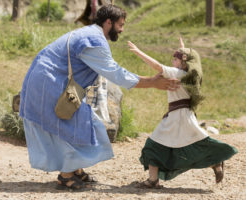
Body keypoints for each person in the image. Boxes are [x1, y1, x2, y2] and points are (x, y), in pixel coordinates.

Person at [19, 5, 179, 190]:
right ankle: (66, 176)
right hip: (49, 83)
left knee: (84, 123)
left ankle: (75, 169)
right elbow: (116, 74)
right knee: (67, 126)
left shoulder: (91, 34)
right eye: (120, 24)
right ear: (108, 22)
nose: (122, 29)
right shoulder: (93, 41)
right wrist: (151, 82)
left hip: (52, 81)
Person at [127, 38, 238, 188]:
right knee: (193, 144)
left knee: (153, 145)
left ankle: (153, 180)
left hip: (178, 117)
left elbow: (157, 66)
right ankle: (215, 162)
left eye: (175, 59)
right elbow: (182, 61)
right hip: (182, 116)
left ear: (184, 63)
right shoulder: (187, 76)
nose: (172, 61)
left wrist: (139, 52)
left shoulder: (177, 73)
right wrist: (182, 49)